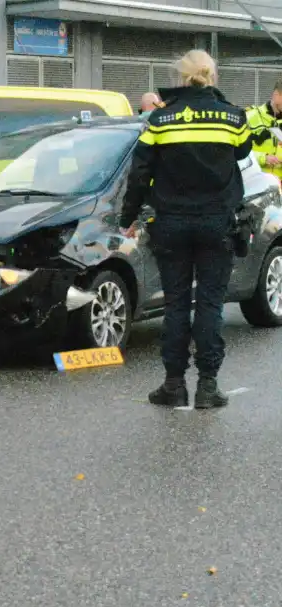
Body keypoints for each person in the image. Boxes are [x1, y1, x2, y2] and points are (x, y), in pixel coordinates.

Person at [119, 50, 252, 409]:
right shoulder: (232, 116)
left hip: (172, 223)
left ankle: (173, 384)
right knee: (209, 303)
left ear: (180, 77)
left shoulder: (160, 119)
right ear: (213, 75)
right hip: (217, 223)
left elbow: (139, 173)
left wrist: (128, 218)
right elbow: (243, 151)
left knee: (176, 303)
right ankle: (208, 385)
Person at [245, 79, 282, 179]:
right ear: (276, 95)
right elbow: (238, 151)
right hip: (256, 182)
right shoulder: (249, 117)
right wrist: (263, 158)